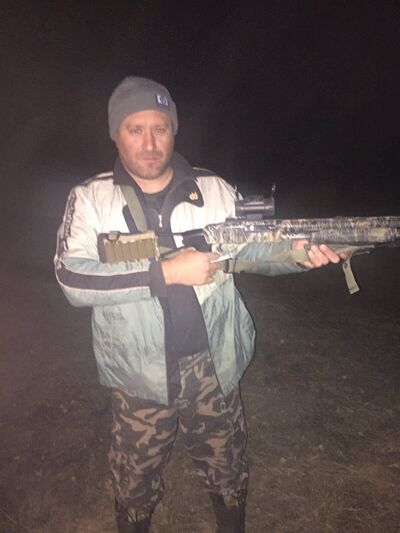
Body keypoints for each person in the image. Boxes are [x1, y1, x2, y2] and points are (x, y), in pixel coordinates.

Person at [54, 77, 345, 533]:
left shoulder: (214, 189)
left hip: (213, 365)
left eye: (160, 128)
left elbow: (253, 251)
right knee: (134, 481)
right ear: (115, 133)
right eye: (135, 129)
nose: (149, 143)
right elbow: (72, 278)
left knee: (227, 468)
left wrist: (300, 254)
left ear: (174, 130)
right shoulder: (91, 199)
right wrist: (165, 272)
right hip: (139, 372)